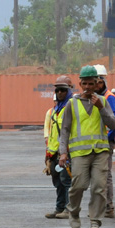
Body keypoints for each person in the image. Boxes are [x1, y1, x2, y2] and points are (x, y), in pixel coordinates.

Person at [58, 66, 115, 228]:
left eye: (92, 83)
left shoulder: (103, 102)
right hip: (79, 154)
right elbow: (65, 130)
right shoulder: (72, 104)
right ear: (80, 83)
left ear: (98, 83)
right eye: (85, 83)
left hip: (100, 151)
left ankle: (95, 221)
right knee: (79, 186)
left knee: (99, 186)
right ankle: (74, 211)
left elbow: (112, 124)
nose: (88, 87)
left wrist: (100, 107)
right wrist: (63, 152)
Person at [44, 75, 74, 220]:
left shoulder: (72, 107)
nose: (60, 93)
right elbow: (52, 134)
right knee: (58, 182)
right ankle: (59, 207)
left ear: (69, 90)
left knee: (66, 181)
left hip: (66, 153)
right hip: (54, 152)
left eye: (63, 90)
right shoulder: (55, 110)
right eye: (57, 90)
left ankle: (69, 209)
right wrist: (48, 154)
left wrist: (66, 152)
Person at [94, 64, 115, 218]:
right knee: (96, 175)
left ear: (103, 81)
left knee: (106, 175)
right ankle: (98, 206)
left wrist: (109, 137)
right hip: (95, 142)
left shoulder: (108, 97)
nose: (96, 84)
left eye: (98, 81)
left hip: (105, 142)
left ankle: (108, 207)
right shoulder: (93, 97)